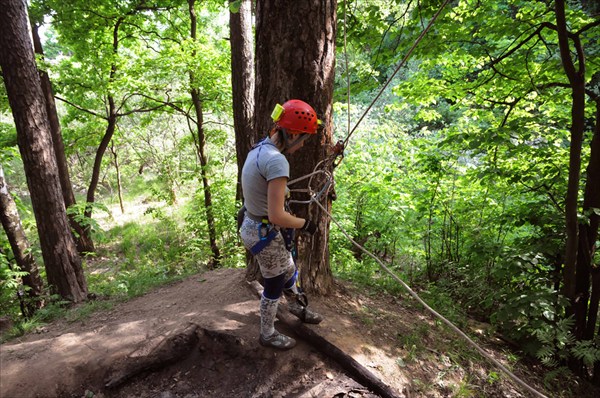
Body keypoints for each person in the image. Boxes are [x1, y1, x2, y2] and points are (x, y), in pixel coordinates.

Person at [239, 99, 324, 350]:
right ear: (293, 133)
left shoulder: (259, 149)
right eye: (304, 138)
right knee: (274, 282)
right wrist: (305, 224)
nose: (303, 144)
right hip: (264, 230)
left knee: (288, 270)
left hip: (254, 225)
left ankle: (298, 307)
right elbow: (277, 216)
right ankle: (267, 334)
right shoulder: (277, 161)